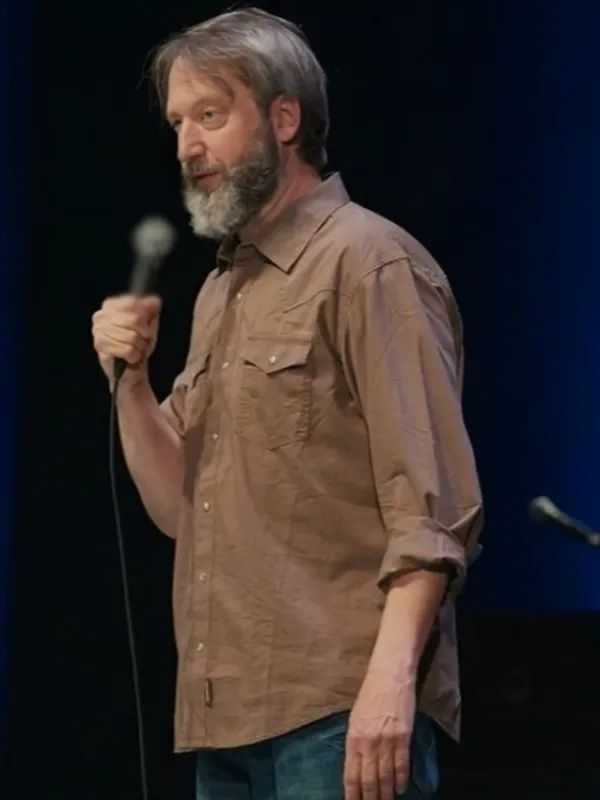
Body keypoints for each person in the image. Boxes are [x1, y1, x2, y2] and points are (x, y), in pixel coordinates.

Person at [91, 8, 483, 800]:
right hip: (228, 720)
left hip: (341, 714)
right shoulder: (222, 290)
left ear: (284, 118)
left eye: (210, 115)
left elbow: (432, 508)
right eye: (177, 123)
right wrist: (131, 384)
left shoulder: (369, 263)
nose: (187, 146)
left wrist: (389, 686)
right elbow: (176, 506)